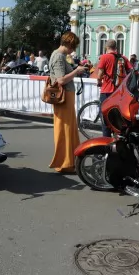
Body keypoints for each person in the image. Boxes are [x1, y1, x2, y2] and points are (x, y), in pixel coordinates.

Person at [49, 31, 87, 173]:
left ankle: (69, 162)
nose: (73, 50)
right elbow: (61, 80)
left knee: (67, 129)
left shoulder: (58, 55)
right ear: (69, 44)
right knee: (65, 130)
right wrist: (76, 71)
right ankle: (65, 163)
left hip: (66, 97)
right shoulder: (59, 57)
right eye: (73, 47)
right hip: (64, 97)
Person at [97, 39, 132, 137]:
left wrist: (99, 82)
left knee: (105, 115)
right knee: (118, 115)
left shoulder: (104, 57)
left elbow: (100, 75)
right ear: (116, 47)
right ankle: (119, 136)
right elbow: (131, 71)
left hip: (107, 91)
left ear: (106, 47)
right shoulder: (123, 58)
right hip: (119, 92)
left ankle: (106, 138)